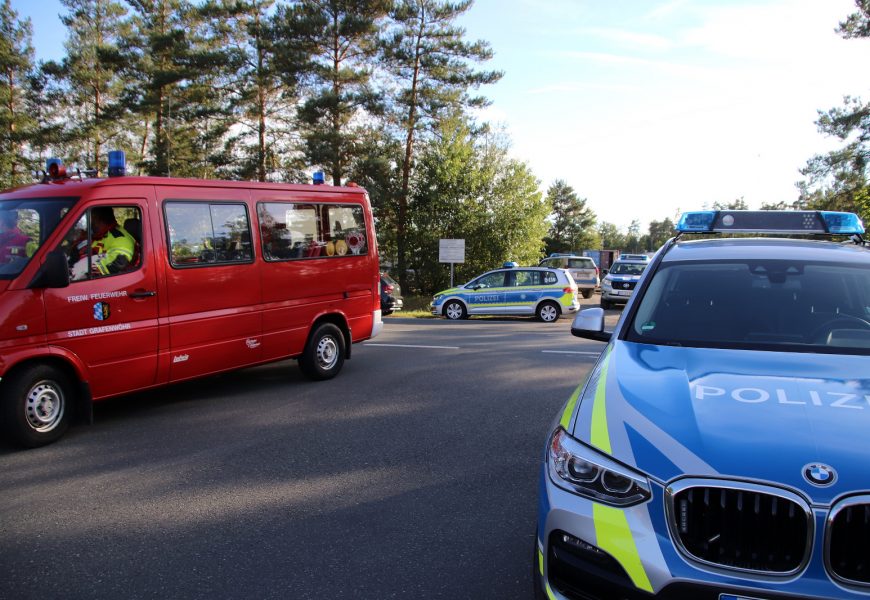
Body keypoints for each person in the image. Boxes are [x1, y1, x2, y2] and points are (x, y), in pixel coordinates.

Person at [88, 207, 136, 276]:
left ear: (96, 218)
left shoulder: (120, 239)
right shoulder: (100, 234)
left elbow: (118, 264)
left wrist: (86, 269)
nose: (89, 222)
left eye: (90, 218)